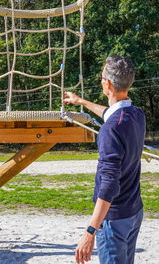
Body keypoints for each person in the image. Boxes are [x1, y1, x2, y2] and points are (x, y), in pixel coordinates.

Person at [64, 55, 145, 264]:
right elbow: (110, 113)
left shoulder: (111, 130)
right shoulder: (135, 114)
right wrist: (79, 101)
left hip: (115, 218)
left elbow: (109, 184)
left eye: (101, 78)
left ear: (107, 84)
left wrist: (90, 231)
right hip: (133, 212)